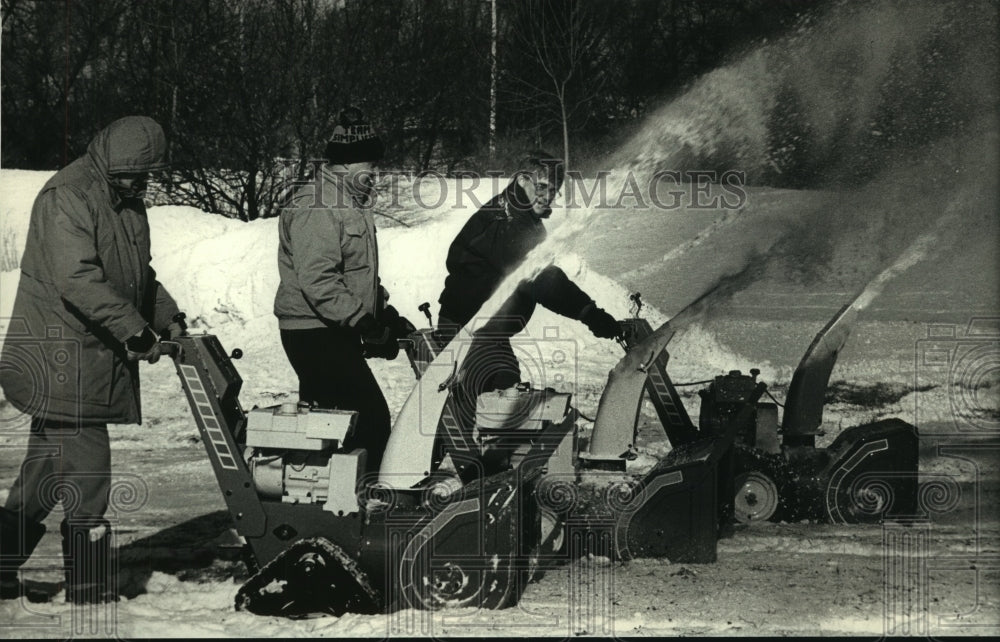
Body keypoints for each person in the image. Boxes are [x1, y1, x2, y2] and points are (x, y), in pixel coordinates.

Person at [0, 116, 187, 604]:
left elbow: (135, 273)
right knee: (89, 474)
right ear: (112, 163)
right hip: (60, 356)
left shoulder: (125, 200)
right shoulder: (68, 196)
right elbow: (78, 278)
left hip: (86, 357)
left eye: (148, 175)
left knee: (43, 476)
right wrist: (135, 331)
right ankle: (88, 590)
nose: (142, 184)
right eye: (134, 174)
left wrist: (168, 317)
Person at [435, 150, 622, 426]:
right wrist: (588, 313)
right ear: (522, 180)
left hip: (484, 331)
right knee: (476, 406)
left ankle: (483, 460)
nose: (548, 196)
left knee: (502, 399)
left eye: (553, 190)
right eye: (542, 186)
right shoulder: (507, 221)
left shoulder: (520, 217)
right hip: (466, 330)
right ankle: (456, 464)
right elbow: (542, 279)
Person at [274, 108, 412, 479]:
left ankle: (334, 497)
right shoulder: (316, 205)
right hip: (313, 332)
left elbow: (354, 273)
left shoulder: (347, 202)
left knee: (338, 424)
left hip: (333, 329)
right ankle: (364, 506)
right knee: (369, 419)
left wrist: (383, 313)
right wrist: (363, 323)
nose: (377, 173)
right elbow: (318, 279)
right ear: (347, 165)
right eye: (372, 164)